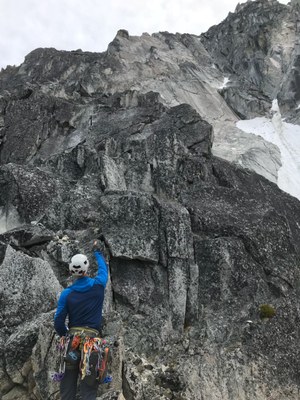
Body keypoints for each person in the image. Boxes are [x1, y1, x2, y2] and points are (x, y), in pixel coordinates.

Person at [54, 240, 108, 400]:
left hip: (72, 343)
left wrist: (67, 335)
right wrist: (97, 252)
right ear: (86, 268)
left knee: (67, 388)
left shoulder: (67, 294)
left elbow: (58, 321)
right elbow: (104, 270)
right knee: (89, 389)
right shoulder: (98, 285)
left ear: (71, 271)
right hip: (92, 343)